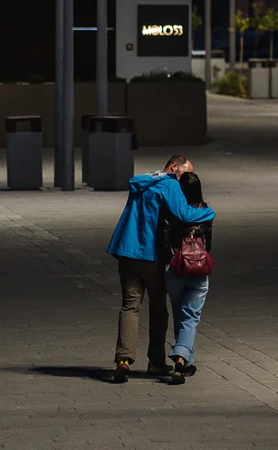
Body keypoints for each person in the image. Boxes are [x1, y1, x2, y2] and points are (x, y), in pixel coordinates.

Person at [106, 155, 215, 383]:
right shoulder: (169, 184)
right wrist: (209, 213)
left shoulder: (143, 180)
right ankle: (155, 362)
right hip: (149, 255)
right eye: (184, 173)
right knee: (158, 309)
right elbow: (184, 214)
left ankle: (123, 360)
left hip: (125, 249)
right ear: (174, 167)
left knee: (129, 307)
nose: (185, 179)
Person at [158, 171, 214, 385]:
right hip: (198, 269)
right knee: (190, 317)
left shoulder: (172, 210)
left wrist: (170, 258)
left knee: (180, 314)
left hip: (176, 268)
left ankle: (186, 361)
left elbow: (163, 237)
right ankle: (181, 361)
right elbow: (208, 242)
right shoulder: (205, 211)